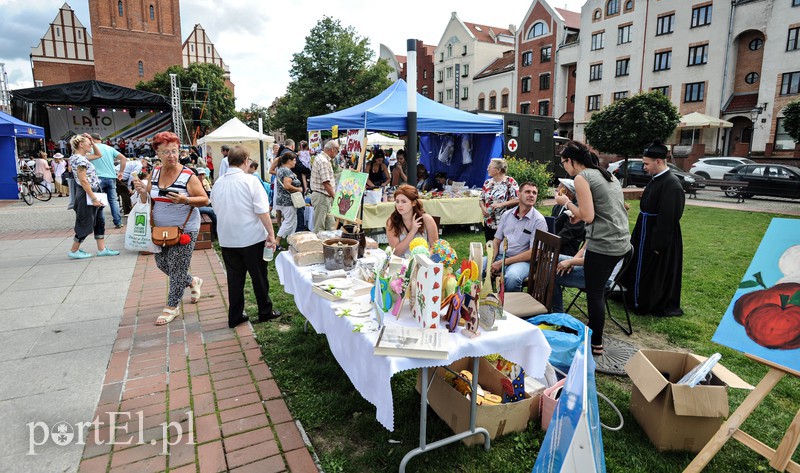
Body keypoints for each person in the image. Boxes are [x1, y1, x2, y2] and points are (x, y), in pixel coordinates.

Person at [554, 141, 631, 356]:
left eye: (563, 164)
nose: (565, 169)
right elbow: (600, 211)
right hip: (621, 243)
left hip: (604, 244)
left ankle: (595, 343)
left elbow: (587, 216)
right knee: (596, 293)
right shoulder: (606, 174)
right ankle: (594, 339)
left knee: (595, 295)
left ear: (570, 161)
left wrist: (564, 202)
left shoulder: (581, 177)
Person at [132, 132, 209, 326]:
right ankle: (192, 281)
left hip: (185, 229)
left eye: (174, 151)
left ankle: (172, 307)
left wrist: (185, 199)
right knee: (162, 263)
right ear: (157, 153)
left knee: (177, 267)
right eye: (166, 152)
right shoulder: (155, 173)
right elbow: (148, 200)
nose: (171, 156)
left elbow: (204, 199)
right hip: (160, 229)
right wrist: (142, 191)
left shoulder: (188, 175)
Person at [211, 146, 279, 327]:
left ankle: (235, 315)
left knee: (234, 278)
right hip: (251, 237)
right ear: (246, 161)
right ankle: (265, 311)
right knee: (259, 277)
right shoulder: (250, 181)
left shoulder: (218, 182)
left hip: (228, 237)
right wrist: (271, 234)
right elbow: (263, 211)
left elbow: (216, 208)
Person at [623, 140, 685, 317]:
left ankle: (648, 301)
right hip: (644, 231)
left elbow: (669, 218)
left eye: (646, 164)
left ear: (658, 161)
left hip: (657, 236)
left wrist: (658, 244)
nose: (644, 167)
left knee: (655, 270)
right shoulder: (656, 180)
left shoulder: (672, 184)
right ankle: (636, 296)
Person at [485, 182, 548, 293]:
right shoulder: (507, 215)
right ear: (519, 194)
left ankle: (510, 308)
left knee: (512, 278)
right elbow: (496, 241)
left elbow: (534, 252)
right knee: (474, 267)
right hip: (500, 256)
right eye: (527, 192)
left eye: (534, 193)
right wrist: (492, 259)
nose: (531, 195)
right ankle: (474, 304)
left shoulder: (539, 220)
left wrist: (503, 263)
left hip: (523, 262)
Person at [67, 133, 120, 259]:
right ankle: (74, 250)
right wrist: (94, 198)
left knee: (98, 221)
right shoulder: (79, 159)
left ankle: (101, 249)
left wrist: (92, 140)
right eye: (88, 143)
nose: (91, 144)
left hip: (92, 192)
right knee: (86, 222)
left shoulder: (79, 157)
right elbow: (83, 180)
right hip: (88, 193)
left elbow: (98, 155)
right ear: (81, 144)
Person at [386, 184, 438, 256]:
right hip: (402, 264)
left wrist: (426, 257)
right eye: (397, 201)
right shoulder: (392, 221)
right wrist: (413, 231)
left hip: (424, 262)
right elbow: (396, 253)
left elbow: (435, 247)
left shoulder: (426, 219)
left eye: (404, 201)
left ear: (413, 203)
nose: (399, 205)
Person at [88, 133, 126, 228]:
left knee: (99, 201)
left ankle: (100, 223)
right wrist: (121, 172)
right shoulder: (109, 148)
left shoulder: (90, 148)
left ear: (91, 139)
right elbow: (123, 158)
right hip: (111, 177)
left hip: (97, 178)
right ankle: (118, 222)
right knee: (113, 201)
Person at [479, 158, 519, 243]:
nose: (487, 169)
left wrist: (502, 204)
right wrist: (483, 209)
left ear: (498, 170)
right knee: (490, 247)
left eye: (490, 167)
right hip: (489, 222)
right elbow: (481, 199)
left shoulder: (510, 182)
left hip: (505, 223)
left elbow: (518, 200)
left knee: (503, 249)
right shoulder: (487, 182)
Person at [274, 152, 303, 248]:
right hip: (288, 200)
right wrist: (298, 189)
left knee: (292, 221)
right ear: (289, 161)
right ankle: (276, 242)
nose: (295, 162)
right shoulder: (286, 171)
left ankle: (290, 241)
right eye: (294, 160)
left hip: (282, 200)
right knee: (289, 222)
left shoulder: (281, 169)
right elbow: (287, 186)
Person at [551, 178, 586, 257]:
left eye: (559, 188)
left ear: (565, 192)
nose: (556, 190)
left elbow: (567, 235)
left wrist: (547, 244)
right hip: (551, 246)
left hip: (564, 252)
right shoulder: (557, 207)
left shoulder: (577, 210)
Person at [310, 140, 338, 233]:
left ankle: (331, 244)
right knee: (319, 227)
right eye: (337, 150)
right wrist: (335, 197)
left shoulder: (321, 158)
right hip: (321, 196)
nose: (337, 153)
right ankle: (316, 246)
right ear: (333, 149)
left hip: (324, 197)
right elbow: (326, 183)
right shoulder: (323, 161)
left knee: (331, 225)